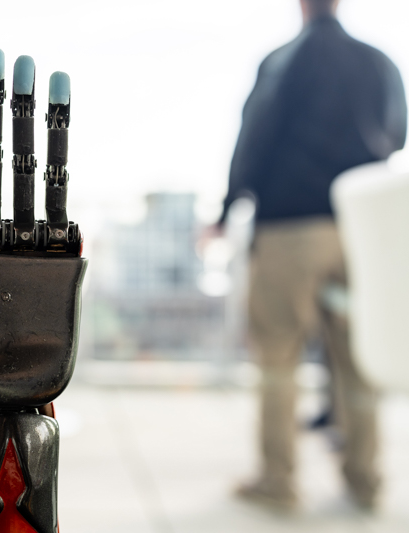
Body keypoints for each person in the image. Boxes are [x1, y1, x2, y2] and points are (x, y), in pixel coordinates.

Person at [219, 0, 407, 510]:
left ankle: (279, 482)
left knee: (279, 358)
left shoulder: (284, 60)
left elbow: (253, 139)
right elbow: (398, 133)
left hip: (289, 228)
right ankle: (365, 483)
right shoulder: (379, 61)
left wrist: (227, 206)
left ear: (303, 5)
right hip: (356, 228)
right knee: (357, 361)